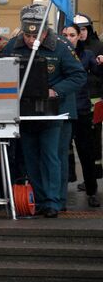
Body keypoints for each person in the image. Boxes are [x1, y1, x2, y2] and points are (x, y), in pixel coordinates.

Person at [3, 5, 86, 218]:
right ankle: (40, 199)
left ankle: (54, 201)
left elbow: (78, 76)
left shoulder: (61, 46)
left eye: (35, 35)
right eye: (28, 35)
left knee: (52, 156)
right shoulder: (13, 46)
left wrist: (55, 90)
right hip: (27, 111)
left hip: (55, 111)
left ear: (45, 31)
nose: (31, 40)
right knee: (31, 157)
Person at [62, 24, 101, 207]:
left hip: (82, 110)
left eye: (72, 35)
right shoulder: (58, 53)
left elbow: (99, 73)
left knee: (86, 153)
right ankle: (59, 193)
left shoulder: (86, 55)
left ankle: (92, 191)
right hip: (62, 110)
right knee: (60, 153)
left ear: (79, 37)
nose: (68, 38)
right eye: (65, 34)